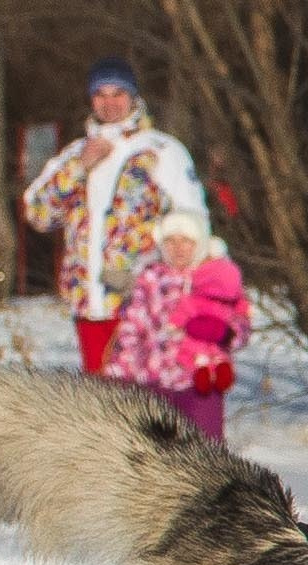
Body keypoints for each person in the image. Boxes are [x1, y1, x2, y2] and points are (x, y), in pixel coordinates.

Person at [23, 57, 206, 373]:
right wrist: (80, 167)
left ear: (134, 97)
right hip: (89, 304)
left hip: (144, 302)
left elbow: (193, 224)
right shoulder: (74, 153)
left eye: (118, 93)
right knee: (101, 403)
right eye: (100, 95)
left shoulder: (161, 150)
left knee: (140, 402)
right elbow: (38, 212)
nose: (109, 104)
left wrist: (169, 282)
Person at [103, 210, 251, 441]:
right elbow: (131, 331)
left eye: (186, 241)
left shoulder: (218, 278)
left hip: (201, 381)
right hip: (154, 382)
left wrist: (226, 333)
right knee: (156, 454)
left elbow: (241, 323)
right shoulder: (150, 279)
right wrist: (118, 375)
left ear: (200, 243)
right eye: (170, 241)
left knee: (205, 449)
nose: (178, 248)